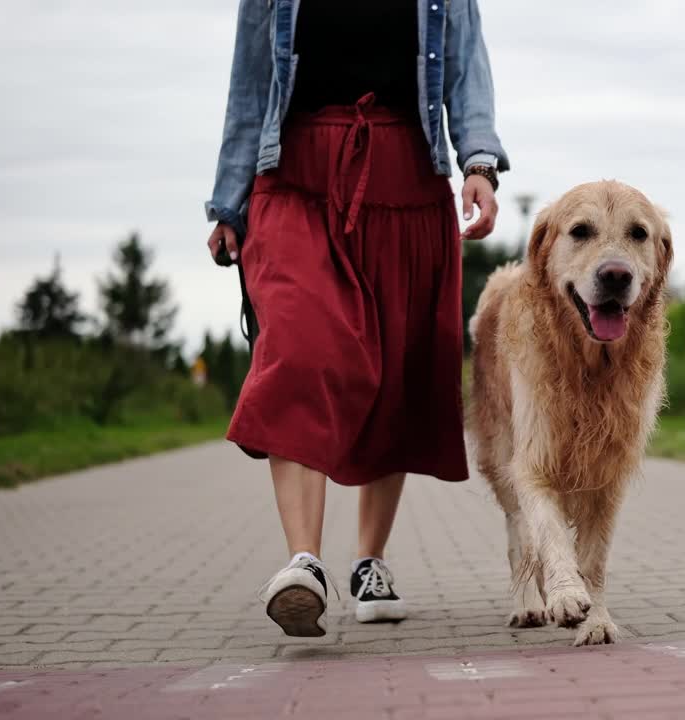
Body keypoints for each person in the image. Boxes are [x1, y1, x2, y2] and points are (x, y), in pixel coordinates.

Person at [203, 0, 508, 637]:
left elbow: (465, 66)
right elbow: (250, 84)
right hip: (293, 180)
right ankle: (303, 563)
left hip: (406, 183)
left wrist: (478, 162)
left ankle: (370, 561)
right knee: (299, 346)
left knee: (396, 370)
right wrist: (229, 202)